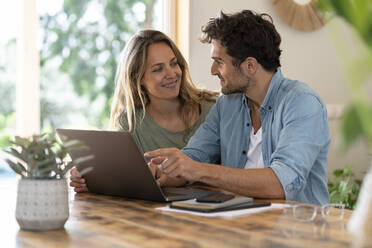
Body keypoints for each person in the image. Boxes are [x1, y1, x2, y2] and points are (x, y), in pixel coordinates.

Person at [145, 10, 331, 205]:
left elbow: (281, 184)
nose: (213, 71)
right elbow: (194, 157)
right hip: (239, 224)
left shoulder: (302, 103)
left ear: (250, 66)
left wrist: (197, 170)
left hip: (297, 229)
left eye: (219, 62)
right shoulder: (226, 105)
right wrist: (163, 171)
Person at [70, 30, 219, 193]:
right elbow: (117, 174)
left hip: (218, 209)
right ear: (138, 78)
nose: (171, 74)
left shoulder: (213, 108)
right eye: (158, 69)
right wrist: (91, 179)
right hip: (159, 212)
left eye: (173, 63)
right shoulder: (131, 122)